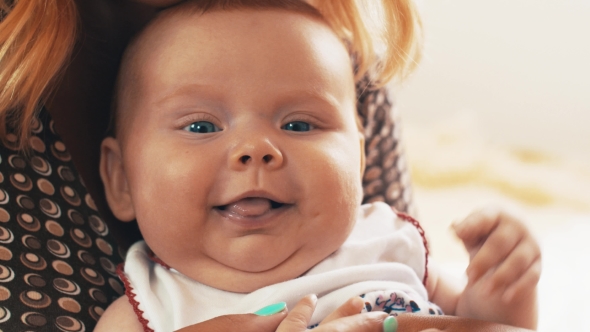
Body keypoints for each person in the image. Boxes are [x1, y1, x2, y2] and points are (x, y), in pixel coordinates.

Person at [94, 1, 541, 331]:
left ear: (360, 161)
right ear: (121, 179)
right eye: (200, 126)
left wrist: (500, 297)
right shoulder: (148, 309)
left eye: (299, 123)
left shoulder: (385, 242)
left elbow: (481, 323)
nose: (255, 149)